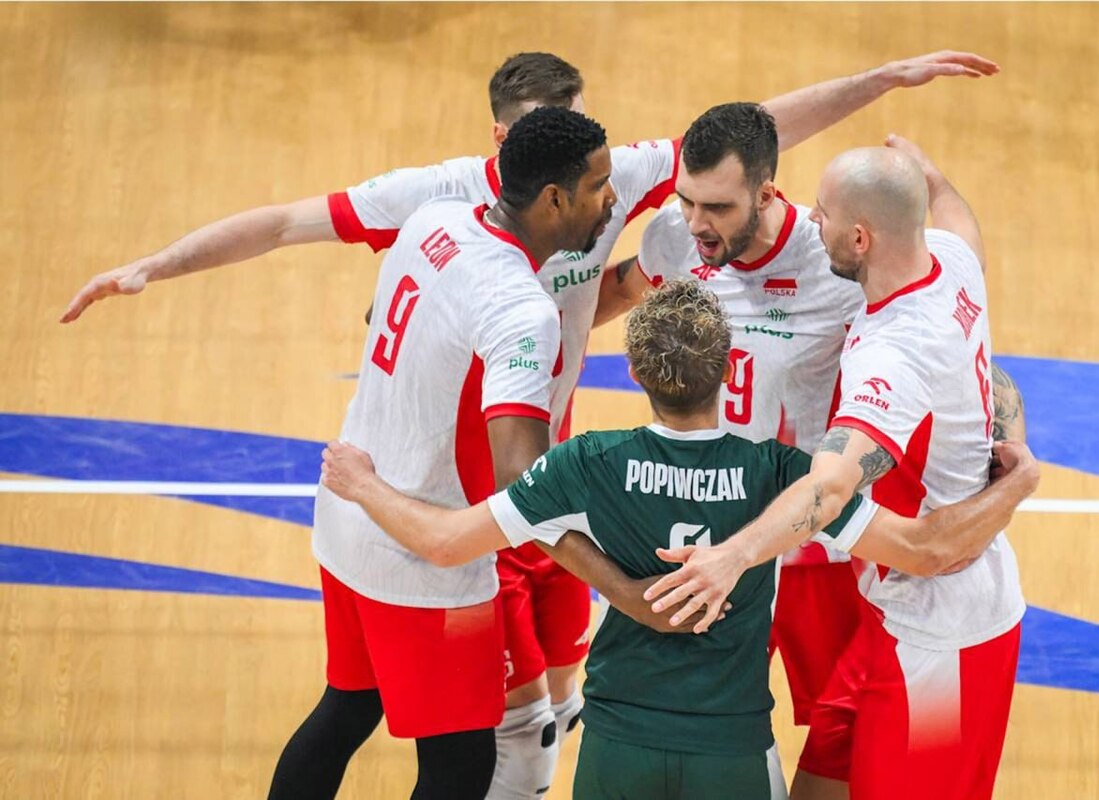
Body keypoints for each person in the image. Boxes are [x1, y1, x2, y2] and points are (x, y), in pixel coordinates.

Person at [60, 51, 1001, 799]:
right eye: (612, 194)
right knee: (482, 748)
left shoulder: (451, 230)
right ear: (541, 178)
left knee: (387, 708)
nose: (630, 211)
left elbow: (767, 142)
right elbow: (505, 494)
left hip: (815, 557)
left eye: (703, 202)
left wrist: (884, 86)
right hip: (472, 524)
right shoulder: (514, 272)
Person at [318, 278, 1039, 800]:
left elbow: (446, 541)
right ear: (727, 368)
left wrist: (362, 484)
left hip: (618, 745)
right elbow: (920, 549)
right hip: (731, 751)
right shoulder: (784, 478)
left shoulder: (586, 462)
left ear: (635, 373)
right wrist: (1014, 481)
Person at [599, 101, 1028, 793]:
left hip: (936, 627)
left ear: (860, 237)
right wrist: (926, 173)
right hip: (892, 611)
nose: (807, 219)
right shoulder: (948, 262)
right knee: (824, 775)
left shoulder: (891, 353)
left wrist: (732, 557)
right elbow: (958, 219)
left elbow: (850, 501)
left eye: (821, 214)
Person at [266, 106, 624, 800]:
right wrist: (617, 553)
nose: (611, 200)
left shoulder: (436, 220)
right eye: (597, 186)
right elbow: (523, 478)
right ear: (554, 199)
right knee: (460, 768)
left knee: (346, 709)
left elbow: (385, 319)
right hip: (420, 560)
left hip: (348, 519)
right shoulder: (520, 308)